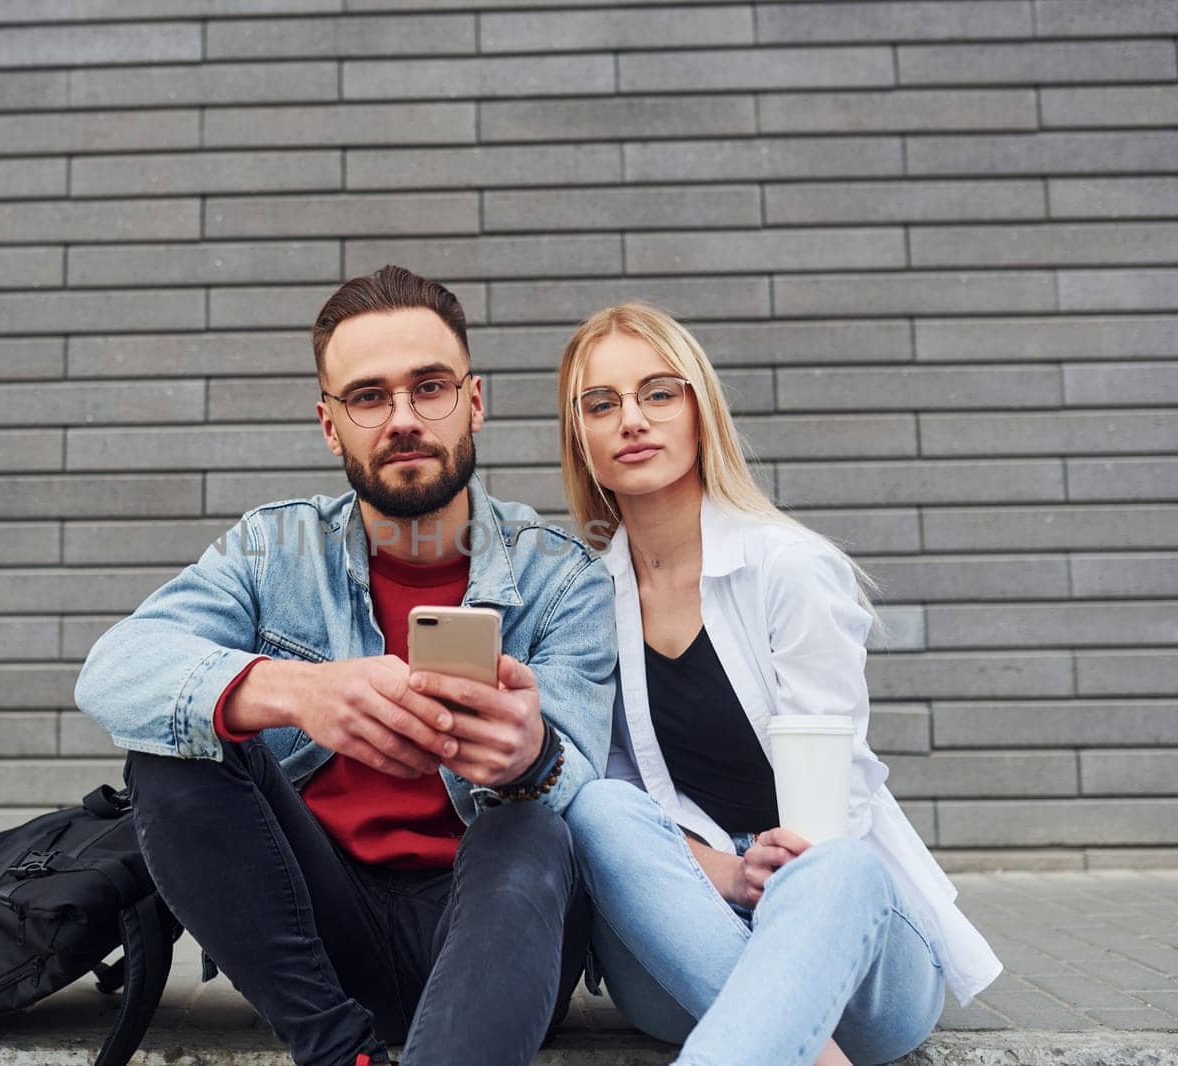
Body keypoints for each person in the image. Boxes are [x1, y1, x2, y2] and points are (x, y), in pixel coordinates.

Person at [74, 265, 616, 1066]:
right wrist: (293, 691)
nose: (403, 419)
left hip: (498, 936)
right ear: (331, 426)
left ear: (474, 402)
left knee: (531, 826)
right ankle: (339, 1056)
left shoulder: (560, 575)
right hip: (326, 940)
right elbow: (115, 670)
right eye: (368, 397)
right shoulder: (273, 551)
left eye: (429, 387)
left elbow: (588, 786)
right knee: (174, 748)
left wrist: (530, 758)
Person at [554, 303, 1001, 1066]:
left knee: (841, 865)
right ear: (582, 440)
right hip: (688, 946)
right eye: (603, 404)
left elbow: (842, 799)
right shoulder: (585, 600)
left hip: (848, 952)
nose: (632, 419)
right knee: (593, 801)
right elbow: (626, 817)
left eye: (659, 393)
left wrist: (781, 876)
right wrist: (730, 874)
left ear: (701, 411)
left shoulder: (788, 567)